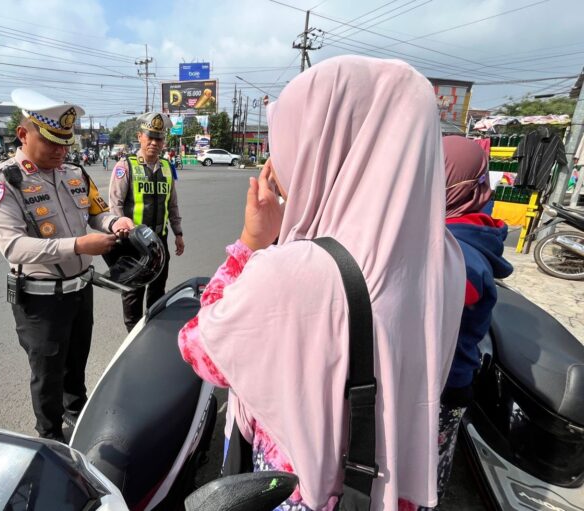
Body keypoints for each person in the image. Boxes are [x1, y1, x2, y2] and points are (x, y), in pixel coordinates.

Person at [177, 56, 465, 510]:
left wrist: (252, 242)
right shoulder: (446, 255)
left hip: (305, 493)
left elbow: (200, 350)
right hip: (390, 493)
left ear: (322, 144)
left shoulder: (294, 272)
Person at [0, 89, 134, 442]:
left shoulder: (75, 173)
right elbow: (14, 247)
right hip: (41, 299)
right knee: (47, 373)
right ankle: (49, 436)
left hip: (81, 290)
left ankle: (77, 414)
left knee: (77, 362)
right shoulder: (2, 182)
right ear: (23, 134)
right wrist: (79, 245)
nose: (61, 151)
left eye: (65, 143)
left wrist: (114, 224)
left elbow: (97, 212)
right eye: (51, 142)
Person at [436, 136, 513, 498]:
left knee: (424, 474)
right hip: (446, 379)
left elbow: (431, 309)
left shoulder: (461, 255)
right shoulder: (464, 230)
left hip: (444, 386)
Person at [109, 112, 184, 331]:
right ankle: (133, 337)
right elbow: (115, 205)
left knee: (157, 291)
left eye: (158, 138)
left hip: (160, 241)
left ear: (164, 141)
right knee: (133, 294)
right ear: (140, 136)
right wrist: (120, 231)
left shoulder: (167, 168)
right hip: (133, 244)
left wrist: (178, 233)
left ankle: (153, 332)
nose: (154, 142)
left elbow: (172, 205)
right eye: (149, 137)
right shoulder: (126, 166)